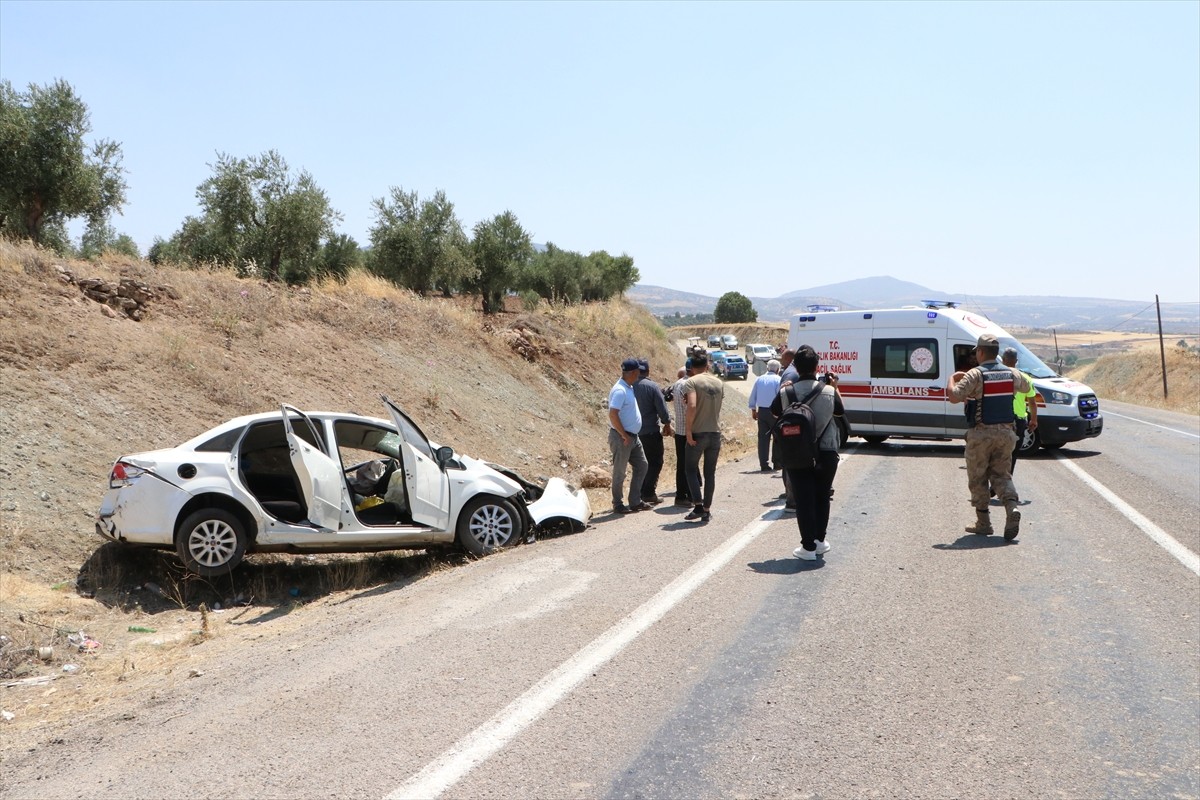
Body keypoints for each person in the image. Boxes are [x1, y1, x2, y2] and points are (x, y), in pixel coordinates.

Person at [948, 334, 1032, 540]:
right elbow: (1027, 388)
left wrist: (952, 378)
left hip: (981, 434)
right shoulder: (1012, 373)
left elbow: (953, 397)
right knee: (1002, 475)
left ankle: (983, 523)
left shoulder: (974, 375)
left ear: (981, 352)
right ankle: (1011, 507)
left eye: (976, 351)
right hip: (1006, 434)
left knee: (978, 478)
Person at [770, 345, 845, 560]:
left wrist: (784, 389)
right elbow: (840, 412)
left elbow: (775, 411)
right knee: (822, 496)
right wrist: (835, 386)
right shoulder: (829, 391)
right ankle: (820, 541)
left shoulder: (787, 391)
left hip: (798, 452)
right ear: (817, 367)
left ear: (796, 366)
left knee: (803, 499)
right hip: (827, 451)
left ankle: (808, 547)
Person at [683, 351, 725, 523]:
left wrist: (688, 431)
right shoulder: (719, 382)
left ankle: (698, 505)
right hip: (715, 432)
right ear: (707, 366)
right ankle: (707, 509)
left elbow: (692, 405)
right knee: (710, 473)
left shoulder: (691, 381)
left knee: (690, 468)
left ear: (692, 368)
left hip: (698, 432)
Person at [608, 357, 650, 514]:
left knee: (642, 465)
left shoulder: (628, 387)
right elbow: (613, 414)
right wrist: (624, 434)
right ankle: (617, 503)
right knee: (620, 471)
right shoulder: (620, 390)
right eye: (638, 371)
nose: (639, 374)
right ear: (633, 372)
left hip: (632, 437)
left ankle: (635, 501)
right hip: (622, 438)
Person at [633, 359, 673, 505]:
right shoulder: (652, 387)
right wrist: (667, 424)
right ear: (648, 371)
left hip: (633, 433)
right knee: (655, 462)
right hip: (650, 432)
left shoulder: (628, 386)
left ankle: (637, 494)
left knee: (639, 464)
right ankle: (648, 493)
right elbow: (662, 409)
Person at [1001, 347, 1038, 480]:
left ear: (1003, 360)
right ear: (1016, 361)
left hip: (1001, 419)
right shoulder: (1026, 378)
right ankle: (1006, 482)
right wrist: (1033, 420)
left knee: (998, 453)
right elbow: (1032, 402)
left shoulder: (998, 376)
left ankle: (995, 483)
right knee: (1013, 454)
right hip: (1019, 421)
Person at [748, 359, 783, 471]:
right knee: (777, 438)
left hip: (762, 411)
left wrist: (753, 409)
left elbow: (753, 395)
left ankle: (764, 464)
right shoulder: (778, 380)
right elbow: (780, 397)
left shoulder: (759, 379)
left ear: (767, 368)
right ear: (778, 369)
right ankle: (777, 463)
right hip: (775, 412)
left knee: (763, 438)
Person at [671, 362, 697, 506]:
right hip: (687, 431)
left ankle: (686, 494)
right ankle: (683, 495)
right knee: (686, 465)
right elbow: (690, 409)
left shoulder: (678, 383)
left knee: (684, 464)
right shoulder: (688, 384)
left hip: (681, 430)